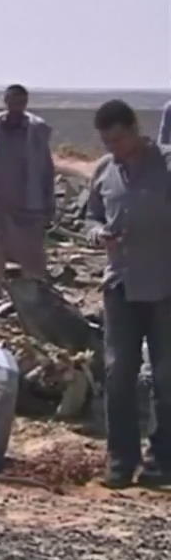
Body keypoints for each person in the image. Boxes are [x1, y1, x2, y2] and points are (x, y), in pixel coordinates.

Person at [85, 99, 171, 489]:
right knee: (118, 373)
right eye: (107, 142)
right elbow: (91, 215)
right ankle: (120, 461)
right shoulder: (104, 170)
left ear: (136, 128)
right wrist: (98, 233)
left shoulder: (166, 163)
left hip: (165, 286)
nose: (113, 149)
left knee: (166, 376)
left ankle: (162, 462)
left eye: (118, 139)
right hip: (120, 285)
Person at [0, 84, 55, 298]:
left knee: (33, 260)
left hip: (28, 205)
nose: (16, 105)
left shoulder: (36, 129)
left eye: (21, 101)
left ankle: (37, 304)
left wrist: (49, 201)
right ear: (5, 101)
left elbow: (46, 166)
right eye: (12, 100)